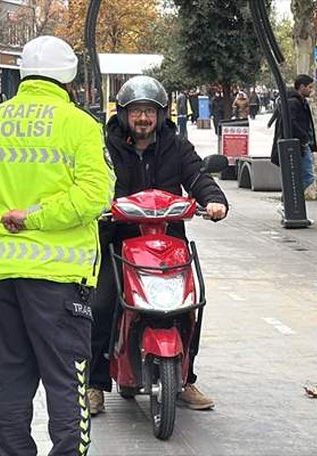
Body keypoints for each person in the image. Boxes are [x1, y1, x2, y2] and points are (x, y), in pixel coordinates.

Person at [0, 35, 112, 456]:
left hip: (3, 280)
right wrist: (36, 217)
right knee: (66, 383)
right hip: (59, 282)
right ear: (70, 78)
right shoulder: (79, 125)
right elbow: (97, 196)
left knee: (12, 380)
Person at [86, 76, 228, 415]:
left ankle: (185, 377)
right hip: (118, 241)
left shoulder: (176, 145)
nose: (143, 119)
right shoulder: (106, 146)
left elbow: (196, 176)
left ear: (161, 115)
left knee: (190, 304)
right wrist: (97, 207)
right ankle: (95, 384)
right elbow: (93, 181)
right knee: (103, 303)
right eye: (136, 112)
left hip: (168, 242)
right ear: (122, 114)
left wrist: (213, 200)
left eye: (149, 111)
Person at [269, 74, 317, 191]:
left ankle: (290, 201)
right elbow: (291, 123)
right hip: (298, 145)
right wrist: (304, 138)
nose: (312, 90)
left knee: (301, 177)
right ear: (301, 87)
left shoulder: (299, 101)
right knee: (307, 177)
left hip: (300, 144)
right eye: (309, 87)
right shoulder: (293, 102)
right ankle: (288, 201)